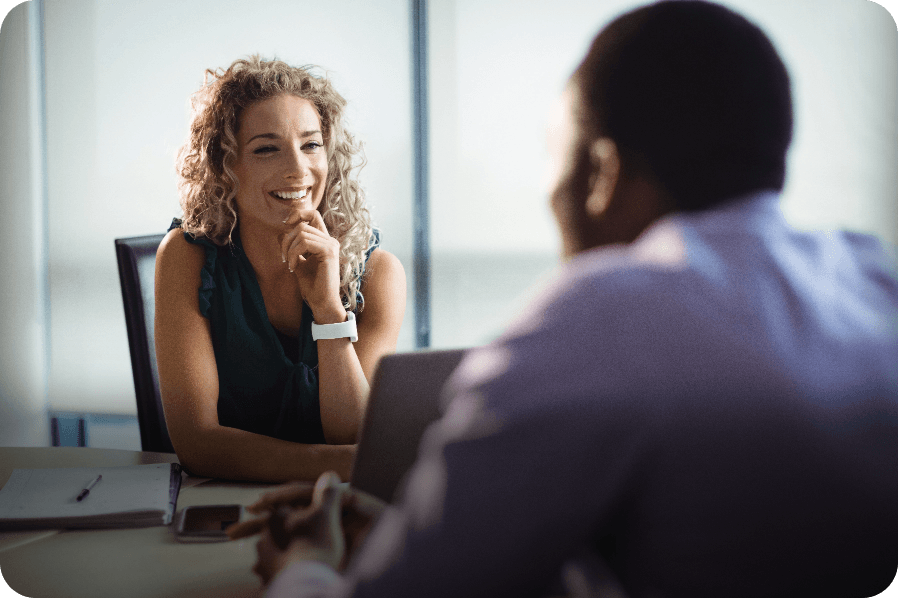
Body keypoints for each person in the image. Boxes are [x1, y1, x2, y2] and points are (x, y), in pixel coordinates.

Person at [229, 2, 898, 596]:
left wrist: (308, 564)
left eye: (556, 162)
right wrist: (417, 528)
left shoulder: (603, 315)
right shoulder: (874, 285)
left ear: (600, 173)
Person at [155, 57, 406, 482]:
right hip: (217, 504)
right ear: (226, 166)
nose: (297, 169)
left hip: (334, 512)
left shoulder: (378, 273)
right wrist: (338, 465)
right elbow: (197, 443)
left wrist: (329, 310)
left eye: (311, 144)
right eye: (266, 149)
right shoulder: (186, 256)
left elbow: (355, 431)